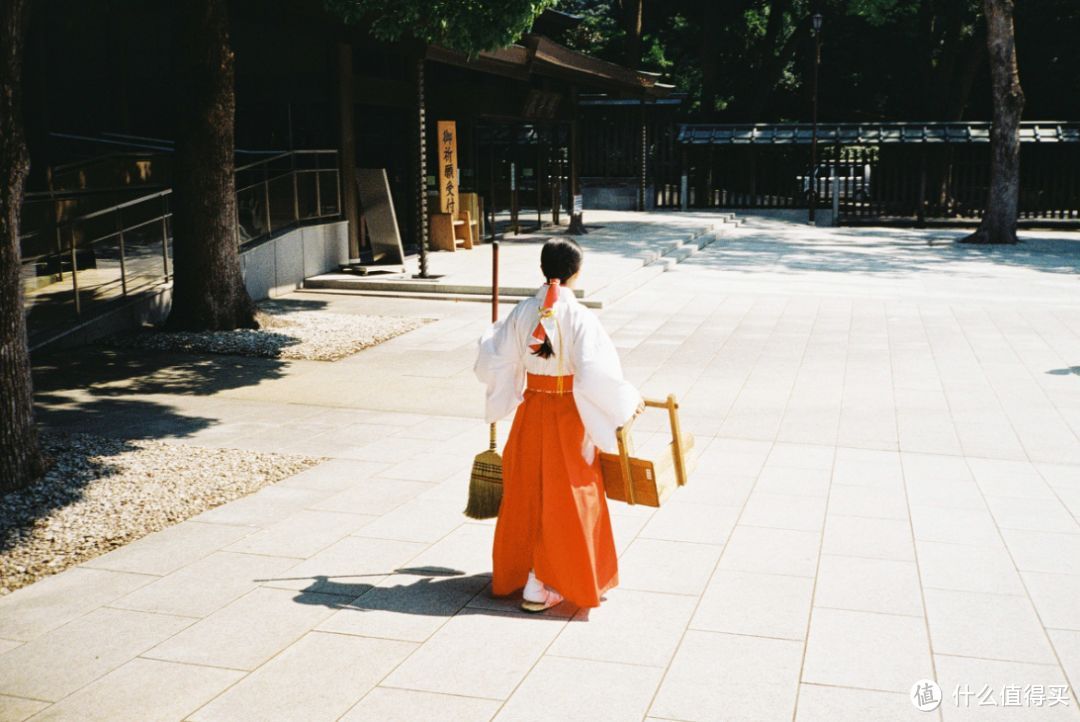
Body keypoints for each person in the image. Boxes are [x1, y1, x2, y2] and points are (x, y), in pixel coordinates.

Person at [474, 238, 643, 613]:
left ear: (542, 268)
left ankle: (529, 574)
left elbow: (494, 359)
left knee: (528, 489)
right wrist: (627, 401)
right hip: (568, 415)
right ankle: (549, 581)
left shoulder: (520, 313)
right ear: (577, 272)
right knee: (570, 493)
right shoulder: (580, 317)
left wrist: (491, 339)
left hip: (531, 409)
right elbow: (598, 376)